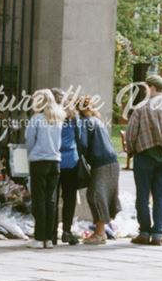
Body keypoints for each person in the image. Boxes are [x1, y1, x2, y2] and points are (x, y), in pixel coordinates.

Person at [124, 75, 162, 246]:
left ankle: (144, 232)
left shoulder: (141, 107)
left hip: (144, 155)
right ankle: (158, 234)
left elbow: (131, 134)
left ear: (151, 88)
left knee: (143, 196)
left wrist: (131, 150)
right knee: (160, 196)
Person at [74, 98, 121, 245]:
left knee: (96, 195)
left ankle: (100, 233)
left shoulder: (85, 122)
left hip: (101, 162)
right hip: (112, 161)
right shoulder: (97, 121)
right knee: (102, 195)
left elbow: (83, 143)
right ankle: (101, 230)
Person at [25, 89, 65, 248]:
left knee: (39, 201)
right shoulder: (58, 119)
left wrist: (31, 154)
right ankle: (49, 238)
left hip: (39, 161)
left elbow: (29, 141)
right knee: (51, 200)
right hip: (55, 161)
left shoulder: (36, 119)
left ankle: (38, 237)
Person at [52, 89, 80, 245]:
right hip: (71, 160)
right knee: (69, 198)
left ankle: (52, 232)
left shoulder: (52, 117)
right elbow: (80, 137)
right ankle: (67, 231)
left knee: (53, 198)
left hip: (55, 159)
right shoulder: (73, 117)